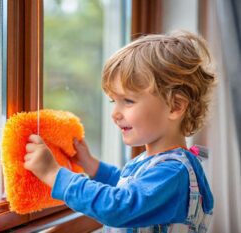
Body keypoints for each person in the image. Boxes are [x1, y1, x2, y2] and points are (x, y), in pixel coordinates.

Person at [24, 30, 215, 232]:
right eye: (114, 101)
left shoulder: (174, 174)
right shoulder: (153, 162)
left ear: (175, 106)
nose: (115, 113)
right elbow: (126, 186)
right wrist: (92, 166)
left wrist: (54, 175)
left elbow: (120, 206)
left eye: (128, 101)